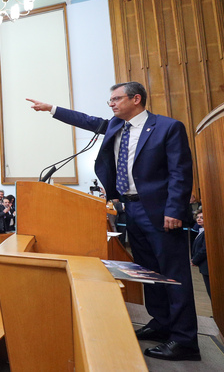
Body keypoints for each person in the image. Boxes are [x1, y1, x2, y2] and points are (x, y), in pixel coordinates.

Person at [28, 81, 199, 361]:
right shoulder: (115, 126)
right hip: (130, 210)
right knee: (149, 272)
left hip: (160, 211)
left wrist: (175, 211)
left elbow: (180, 172)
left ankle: (184, 340)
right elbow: (87, 120)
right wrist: (52, 109)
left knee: (173, 274)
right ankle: (161, 323)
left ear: (136, 99)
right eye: (110, 100)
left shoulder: (168, 128)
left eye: (116, 99)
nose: (111, 104)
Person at [191, 211, 209, 298]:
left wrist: (195, 260)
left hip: (207, 266)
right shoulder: (201, 231)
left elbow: (204, 250)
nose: (199, 219)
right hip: (203, 266)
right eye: (197, 217)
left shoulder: (208, 232)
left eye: (202, 217)